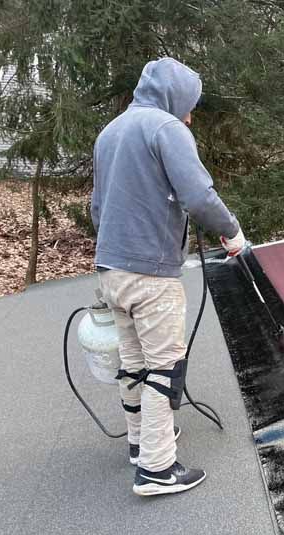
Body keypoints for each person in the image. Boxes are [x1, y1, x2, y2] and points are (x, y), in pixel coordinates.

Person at [90, 57, 245, 496]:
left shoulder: (111, 131)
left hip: (111, 268)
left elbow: (98, 209)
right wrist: (232, 232)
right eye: (189, 103)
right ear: (174, 96)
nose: (190, 114)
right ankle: (157, 469)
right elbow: (199, 195)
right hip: (150, 273)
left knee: (134, 363)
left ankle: (141, 445)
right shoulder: (166, 128)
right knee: (164, 368)